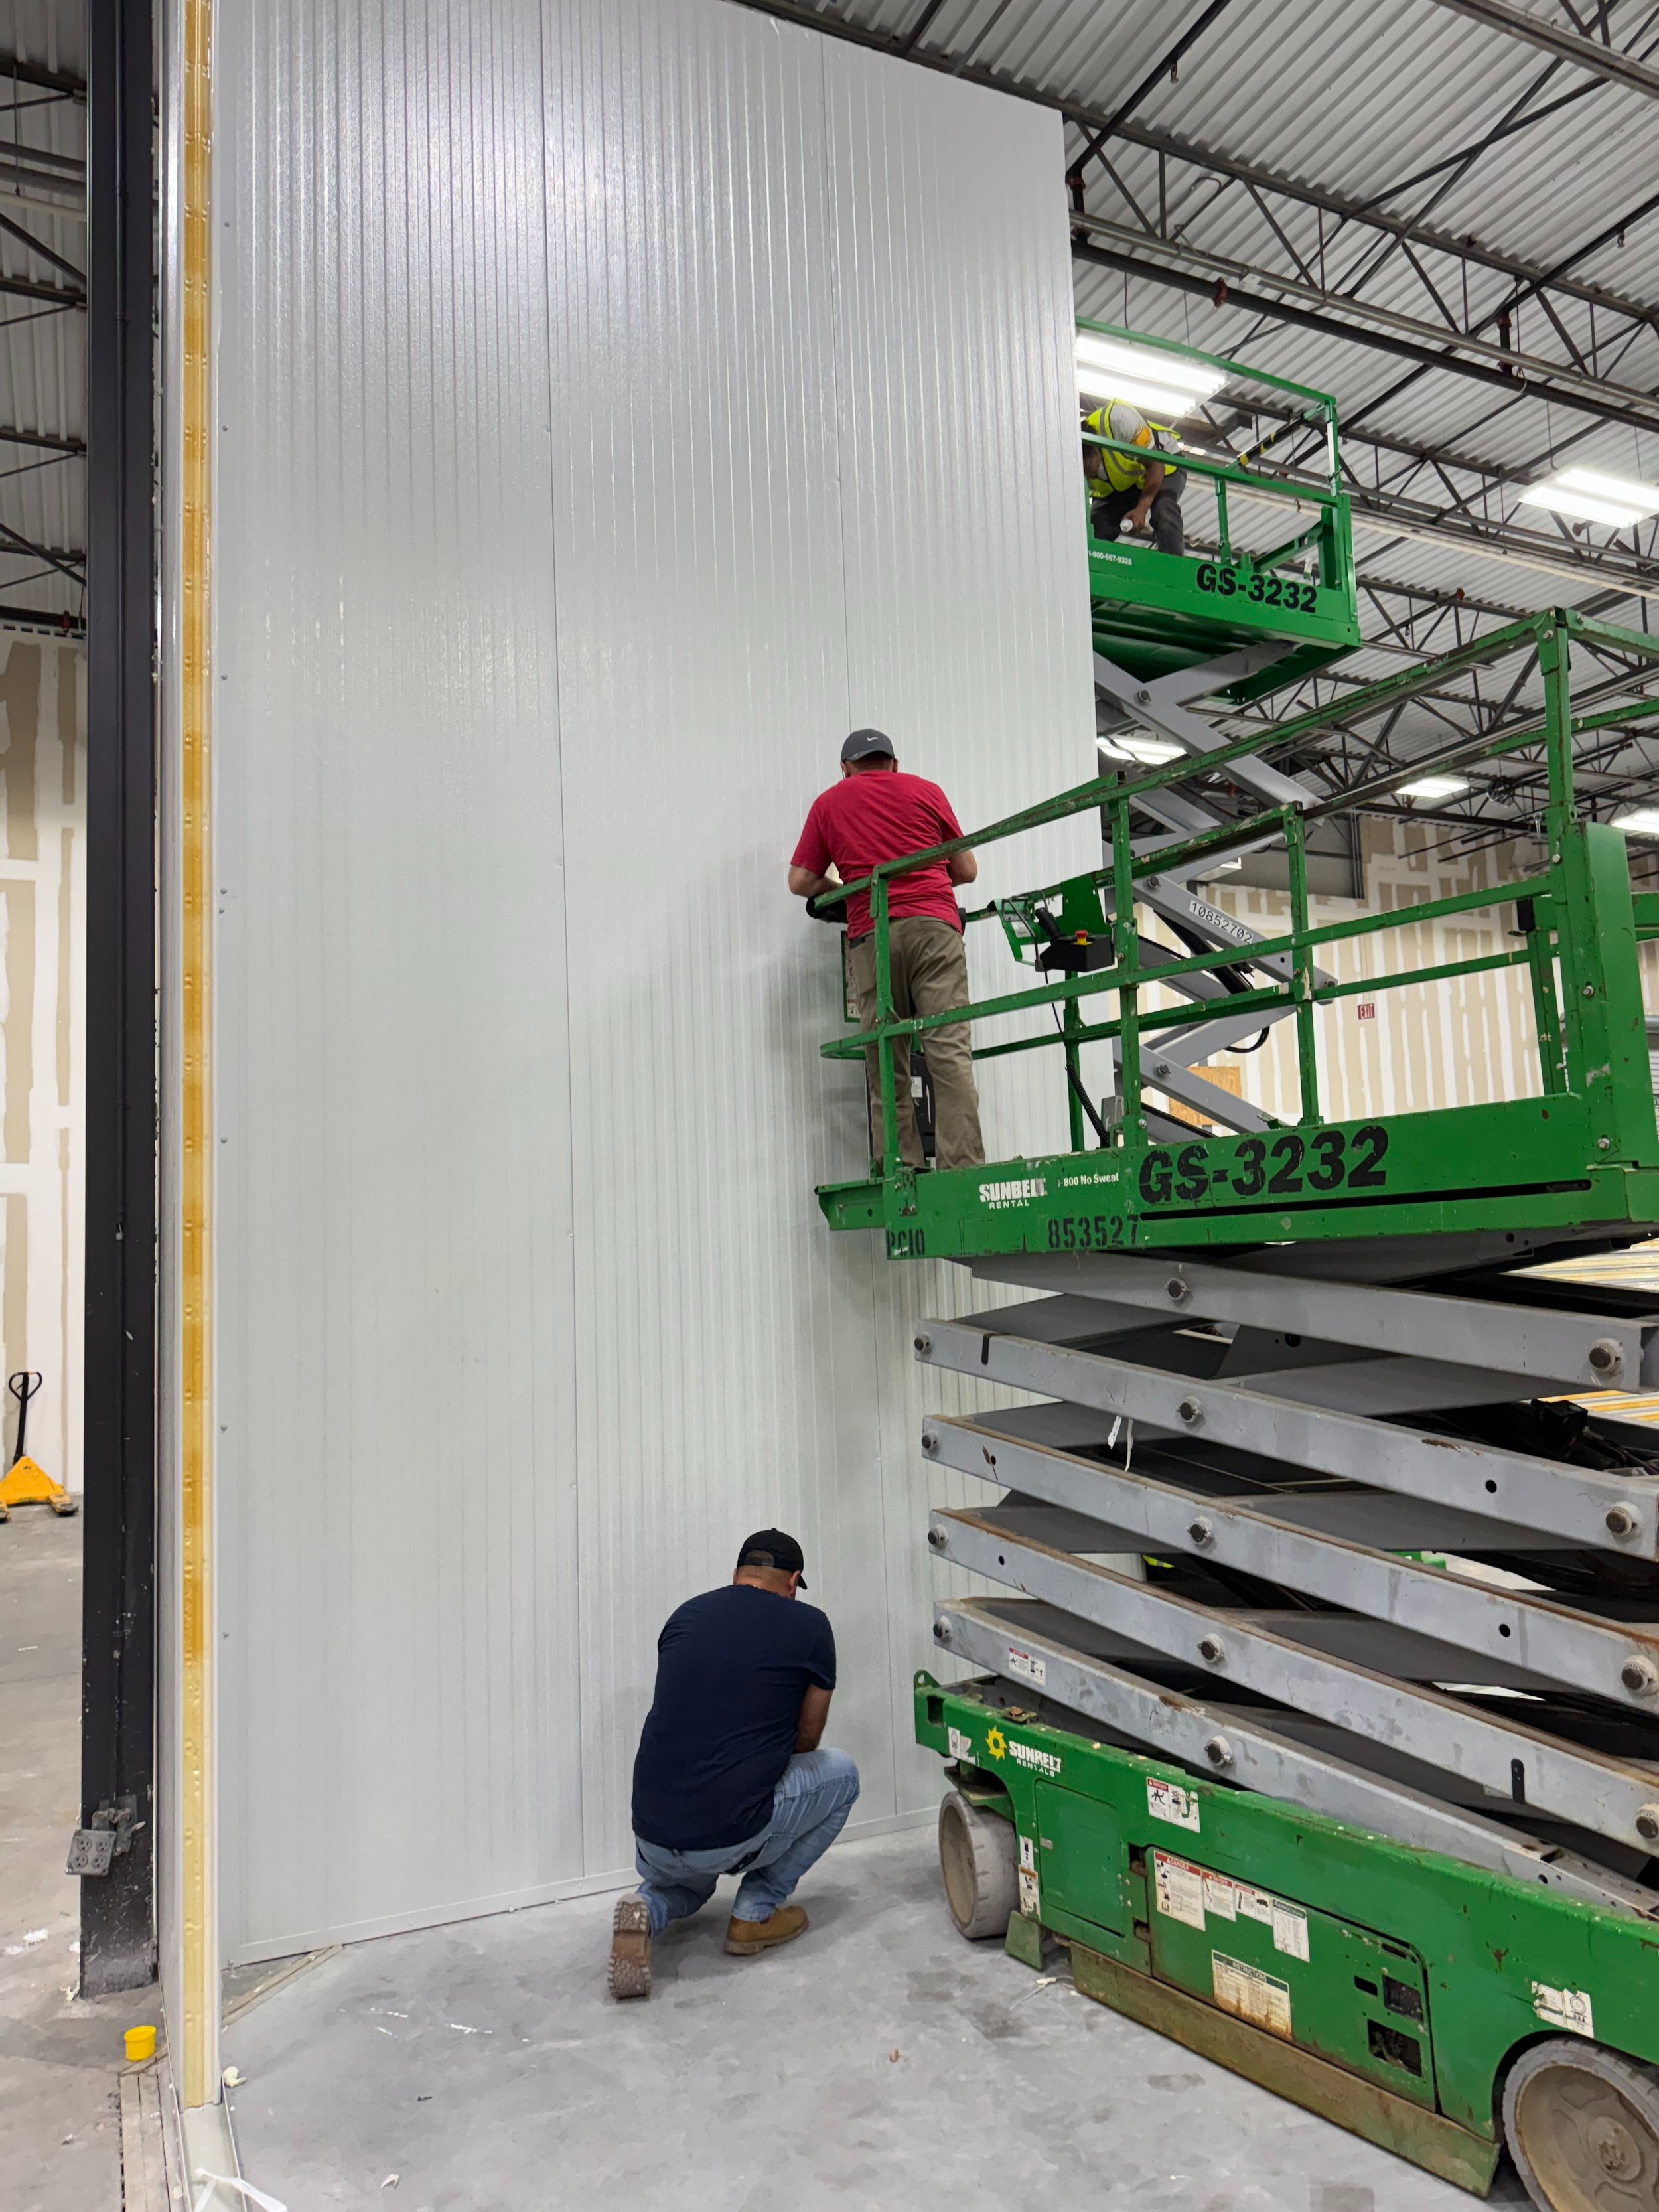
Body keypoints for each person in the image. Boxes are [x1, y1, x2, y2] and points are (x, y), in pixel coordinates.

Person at [609, 1529, 859, 2000]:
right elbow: (807, 1741)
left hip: (652, 1832)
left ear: (736, 1574)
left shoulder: (684, 1615)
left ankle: (645, 1905)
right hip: (730, 1832)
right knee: (843, 1774)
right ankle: (755, 1912)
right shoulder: (810, 1625)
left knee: (693, 1886)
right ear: (793, 1581)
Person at [788, 728, 985, 1172]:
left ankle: (901, 1165)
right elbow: (967, 869)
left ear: (845, 769)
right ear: (894, 763)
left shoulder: (829, 803)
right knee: (948, 1050)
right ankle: (963, 1167)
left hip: (873, 934)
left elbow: (799, 881)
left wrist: (850, 889)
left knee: (885, 1056)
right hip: (936, 927)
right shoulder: (926, 790)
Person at [1083, 396, 1186, 555]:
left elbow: (1155, 465)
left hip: (1164, 463)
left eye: (1088, 469)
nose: (1088, 478)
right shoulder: (1077, 468)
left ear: (1094, 451)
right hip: (1125, 483)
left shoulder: (1118, 421)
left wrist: (1141, 509)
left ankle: (1176, 573)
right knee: (1096, 526)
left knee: (1164, 511)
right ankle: (1093, 574)